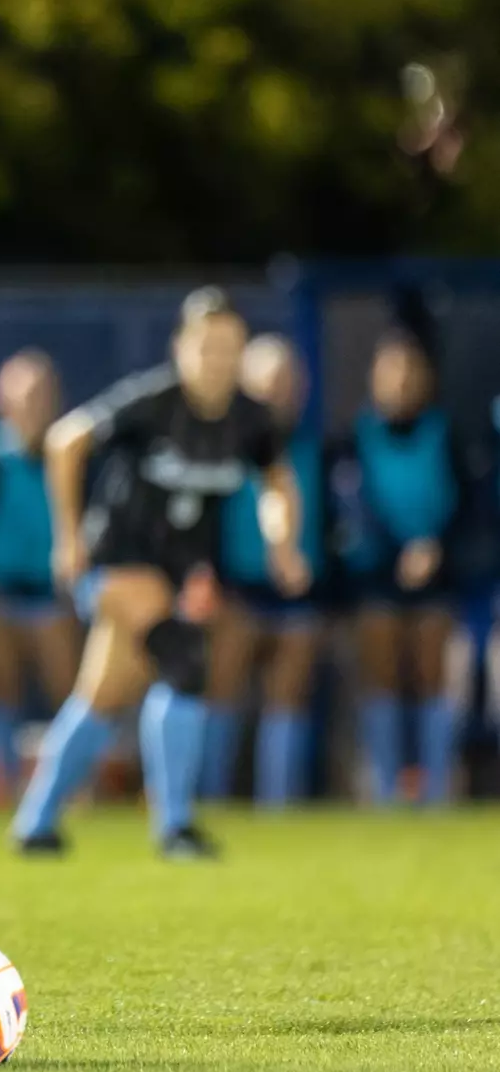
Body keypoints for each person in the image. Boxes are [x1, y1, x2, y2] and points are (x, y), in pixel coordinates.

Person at [10, 288, 310, 858]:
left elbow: (278, 482)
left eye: (228, 347)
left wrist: (284, 544)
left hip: (180, 573)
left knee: (103, 695)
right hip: (117, 562)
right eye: (206, 346)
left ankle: (36, 821)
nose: (216, 360)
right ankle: (174, 824)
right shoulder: (153, 403)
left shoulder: (250, 419)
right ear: (181, 347)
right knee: (183, 657)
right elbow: (65, 441)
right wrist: (68, 536)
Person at [329, 334, 461, 804]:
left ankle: (437, 791)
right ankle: (385, 791)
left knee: (434, 672)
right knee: (379, 670)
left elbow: (464, 503)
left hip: (438, 576)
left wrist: (433, 548)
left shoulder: (446, 433)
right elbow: (353, 507)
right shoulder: (355, 438)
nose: (402, 381)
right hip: (376, 576)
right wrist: (397, 552)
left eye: (411, 371)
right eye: (392, 370)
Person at [0, 351, 80, 806]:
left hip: (53, 595)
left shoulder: (70, 450)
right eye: (24, 396)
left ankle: (70, 790)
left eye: (42, 395)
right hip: (1, 594)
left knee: (69, 693)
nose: (34, 406)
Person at [206, 336, 329, 806]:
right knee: (220, 693)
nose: (279, 393)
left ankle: (278, 805)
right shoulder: (218, 448)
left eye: (287, 383)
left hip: (297, 597)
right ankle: (205, 802)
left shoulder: (317, 451)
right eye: (268, 383)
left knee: (288, 697)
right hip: (234, 592)